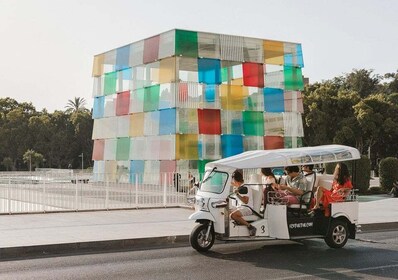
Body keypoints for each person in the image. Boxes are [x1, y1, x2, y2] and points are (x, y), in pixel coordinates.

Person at [230, 170, 257, 236]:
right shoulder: (240, 187)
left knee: (233, 215)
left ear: (235, 180)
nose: (232, 182)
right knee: (225, 211)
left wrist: (237, 194)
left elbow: (245, 201)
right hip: (240, 207)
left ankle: (250, 227)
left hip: (247, 208)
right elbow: (231, 184)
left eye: (233, 180)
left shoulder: (245, 188)